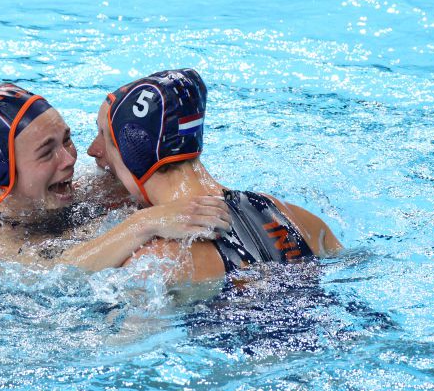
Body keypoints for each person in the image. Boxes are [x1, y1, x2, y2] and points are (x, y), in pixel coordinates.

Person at [86, 68, 342, 284]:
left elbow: (126, 341)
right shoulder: (299, 220)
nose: (93, 150)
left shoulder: (157, 263)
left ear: (134, 150)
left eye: (103, 136)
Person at [0, 83, 232, 270]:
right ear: (1, 171)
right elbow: (55, 272)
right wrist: (146, 222)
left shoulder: (90, 192)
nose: (71, 158)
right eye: (47, 152)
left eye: (67, 140)